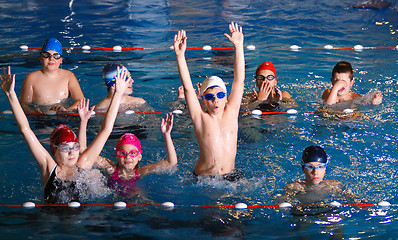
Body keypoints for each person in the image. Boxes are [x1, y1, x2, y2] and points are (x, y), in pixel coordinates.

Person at [0, 65, 130, 203]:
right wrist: (11, 95)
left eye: (74, 147)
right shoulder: (49, 168)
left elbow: (106, 129)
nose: (72, 153)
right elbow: (25, 129)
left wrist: (117, 93)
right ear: (54, 150)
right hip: (52, 221)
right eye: (65, 148)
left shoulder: (84, 164)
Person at [173, 22, 244, 180]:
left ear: (226, 98)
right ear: (203, 101)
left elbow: (239, 81)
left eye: (219, 95)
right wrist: (180, 56)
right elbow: (188, 88)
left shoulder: (232, 113)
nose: (215, 100)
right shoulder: (200, 118)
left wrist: (239, 47)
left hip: (230, 176)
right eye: (209, 97)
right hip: (203, 179)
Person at [90, 113, 177, 196]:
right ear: (117, 156)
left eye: (133, 153)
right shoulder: (109, 168)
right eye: (122, 153)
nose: (128, 157)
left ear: (139, 157)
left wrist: (167, 135)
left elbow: (171, 163)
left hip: (133, 195)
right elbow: (87, 155)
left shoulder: (141, 172)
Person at [280, 145, 363, 206]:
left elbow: (351, 198)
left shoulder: (333, 185)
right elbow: (279, 201)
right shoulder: (294, 187)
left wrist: (359, 202)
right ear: (303, 169)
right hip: (301, 213)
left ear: (325, 169)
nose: (315, 172)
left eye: (321, 167)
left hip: (325, 210)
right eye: (310, 167)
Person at [20, 38, 84, 113]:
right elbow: (24, 104)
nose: (51, 59)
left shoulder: (69, 76)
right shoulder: (31, 78)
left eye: (56, 55)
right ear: (41, 58)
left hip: (65, 115)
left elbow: (80, 101)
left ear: (61, 60)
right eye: (46, 55)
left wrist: (66, 111)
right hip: (40, 118)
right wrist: (35, 113)